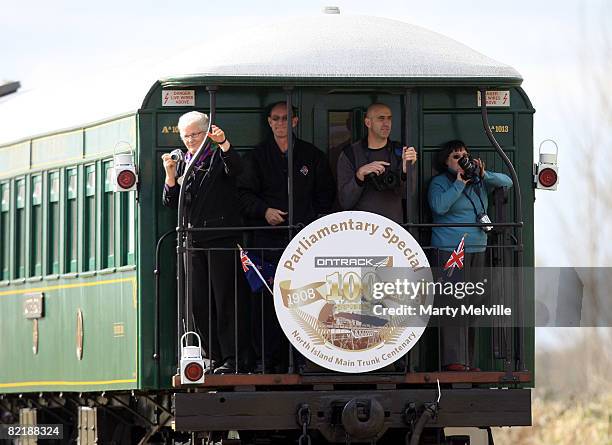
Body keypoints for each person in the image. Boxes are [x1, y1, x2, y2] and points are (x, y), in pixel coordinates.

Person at [237, 101, 335, 372]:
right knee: (266, 302)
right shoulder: (256, 157)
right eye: (276, 119)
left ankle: (304, 357)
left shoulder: (312, 156)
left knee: (307, 300)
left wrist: (311, 223)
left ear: (295, 121)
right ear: (269, 122)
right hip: (266, 243)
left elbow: (326, 196)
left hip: (305, 243)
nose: (281, 123)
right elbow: (243, 196)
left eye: (286, 118)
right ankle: (267, 360)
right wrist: (264, 210)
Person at [162, 111, 250, 374]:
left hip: (221, 237)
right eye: (186, 136)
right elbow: (171, 202)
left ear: (206, 134)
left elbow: (237, 169)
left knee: (225, 300)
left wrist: (224, 144)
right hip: (193, 241)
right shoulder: (182, 162)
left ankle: (234, 358)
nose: (190, 140)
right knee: (198, 302)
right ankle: (212, 355)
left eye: (196, 135)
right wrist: (169, 176)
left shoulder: (215, 157)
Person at [428, 139, 513, 371]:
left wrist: (483, 174)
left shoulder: (477, 182)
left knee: (472, 305)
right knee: (453, 304)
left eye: (464, 155)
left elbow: (507, 182)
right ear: (446, 162)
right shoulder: (440, 183)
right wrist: (458, 183)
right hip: (450, 251)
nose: (462, 160)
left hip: (478, 248)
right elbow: (439, 207)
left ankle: (468, 360)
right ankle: (454, 360)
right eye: (456, 157)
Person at [336, 103, 417, 223]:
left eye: (389, 118)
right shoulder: (350, 154)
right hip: (360, 228)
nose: (386, 123)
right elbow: (345, 202)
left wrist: (406, 171)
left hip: (392, 232)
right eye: (381, 119)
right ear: (368, 123)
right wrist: (360, 175)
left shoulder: (400, 152)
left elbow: (407, 195)